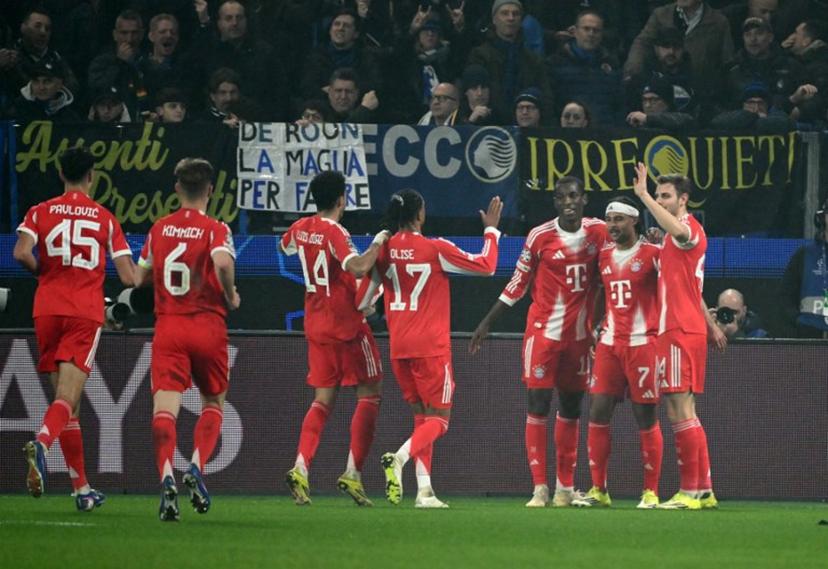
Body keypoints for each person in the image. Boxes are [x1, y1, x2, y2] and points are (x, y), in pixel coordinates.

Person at [470, 176, 607, 508]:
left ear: (584, 199)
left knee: (572, 407)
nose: (568, 202)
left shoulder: (599, 232)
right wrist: (487, 322)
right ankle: (539, 488)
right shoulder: (540, 236)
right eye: (561, 197)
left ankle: (564, 488)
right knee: (537, 403)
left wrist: (601, 322)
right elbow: (518, 282)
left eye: (574, 196)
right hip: (543, 335)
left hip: (579, 337)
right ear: (556, 202)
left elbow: (611, 272)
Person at [362, 190, 502, 508]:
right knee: (440, 420)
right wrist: (491, 230)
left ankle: (424, 491)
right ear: (420, 215)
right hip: (431, 347)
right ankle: (398, 459)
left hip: (399, 347)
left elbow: (362, 303)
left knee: (422, 417)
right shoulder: (434, 248)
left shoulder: (382, 251)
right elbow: (487, 266)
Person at [14, 146, 135, 512]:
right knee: (67, 400)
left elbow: (20, 253)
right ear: (92, 176)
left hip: (47, 310)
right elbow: (129, 275)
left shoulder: (39, 211)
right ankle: (42, 443)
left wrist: (45, 274)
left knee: (70, 405)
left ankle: (82, 490)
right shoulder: (104, 218)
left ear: (61, 174)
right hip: (83, 312)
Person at [134, 158, 239, 521]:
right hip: (208, 325)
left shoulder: (159, 228)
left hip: (170, 327)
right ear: (210, 190)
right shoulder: (216, 228)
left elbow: (137, 278)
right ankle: (195, 467)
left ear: (177, 188)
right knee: (213, 402)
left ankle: (166, 478)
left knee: (164, 410)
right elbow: (223, 264)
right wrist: (231, 294)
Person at [280, 171, 389, 507]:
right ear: (342, 199)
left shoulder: (300, 227)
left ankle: (301, 467)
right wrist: (378, 242)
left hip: (315, 323)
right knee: (370, 392)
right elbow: (357, 267)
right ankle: (353, 474)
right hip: (347, 324)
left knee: (322, 400)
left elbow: (284, 248)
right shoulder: (335, 231)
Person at [632, 162, 727, 510]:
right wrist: (711, 324)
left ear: (683, 199)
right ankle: (703, 489)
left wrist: (641, 195)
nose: (660, 200)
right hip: (688, 328)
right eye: (657, 195)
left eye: (665, 196)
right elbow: (692, 288)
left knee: (678, 410)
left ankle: (689, 491)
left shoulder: (689, 229)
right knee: (688, 411)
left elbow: (676, 229)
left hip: (677, 331)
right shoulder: (676, 238)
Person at [570, 196, 664, 509]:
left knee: (645, 416)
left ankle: (650, 492)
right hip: (610, 344)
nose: (612, 225)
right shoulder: (604, 256)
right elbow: (599, 295)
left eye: (619, 219)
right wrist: (594, 327)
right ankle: (599, 489)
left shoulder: (653, 254)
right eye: (609, 219)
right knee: (597, 410)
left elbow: (674, 285)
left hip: (642, 343)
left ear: (634, 221)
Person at [467, 0, 552, 122]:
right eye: (505, 13)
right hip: (488, 124)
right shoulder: (479, 55)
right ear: (494, 19)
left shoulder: (533, 60)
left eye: (515, 14)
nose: (511, 18)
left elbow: (546, 97)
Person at [547, 9, 623, 127]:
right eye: (586, 29)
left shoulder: (612, 64)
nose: (591, 34)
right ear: (575, 31)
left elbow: (618, 105)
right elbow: (550, 104)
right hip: (566, 134)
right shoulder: (555, 63)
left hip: (604, 135)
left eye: (596, 30)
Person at [781, 198, 828, 338]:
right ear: (823, 217)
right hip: (808, 336)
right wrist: (798, 321)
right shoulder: (804, 254)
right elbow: (785, 296)